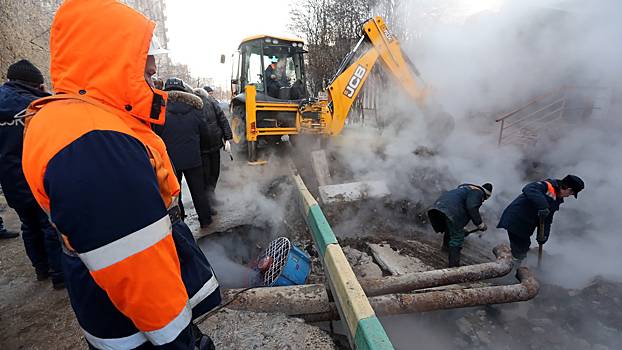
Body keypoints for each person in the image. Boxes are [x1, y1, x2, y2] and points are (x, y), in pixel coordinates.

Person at [21, 1, 220, 349]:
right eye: (143, 60)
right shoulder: (94, 142)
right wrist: (182, 341)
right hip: (140, 333)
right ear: (110, 60)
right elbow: (138, 267)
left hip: (113, 316)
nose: (153, 71)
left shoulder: (76, 122)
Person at [0, 59, 64, 288]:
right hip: (37, 175)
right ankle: (59, 275)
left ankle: (41, 269)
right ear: (37, 84)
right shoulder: (37, 105)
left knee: (28, 224)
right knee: (49, 225)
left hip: (9, 179)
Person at [156, 77, 213, 227]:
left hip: (170, 160)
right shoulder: (195, 108)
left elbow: (155, 134)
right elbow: (205, 133)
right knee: (199, 191)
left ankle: (180, 222)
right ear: (183, 90)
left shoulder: (159, 109)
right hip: (193, 158)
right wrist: (201, 150)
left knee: (175, 193)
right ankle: (206, 220)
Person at [497, 175, 584, 267]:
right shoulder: (546, 186)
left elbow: (547, 220)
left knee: (523, 247)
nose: (568, 196)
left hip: (525, 225)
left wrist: (543, 235)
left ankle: (515, 265)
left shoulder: (556, 199)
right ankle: (510, 268)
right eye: (571, 193)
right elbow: (529, 188)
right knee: (520, 248)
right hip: (516, 219)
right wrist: (543, 205)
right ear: (569, 189)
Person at [427, 183, 493, 267]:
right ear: (486, 195)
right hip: (451, 211)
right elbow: (472, 207)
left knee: (450, 228)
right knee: (457, 238)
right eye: (484, 199)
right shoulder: (477, 192)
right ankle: (453, 267)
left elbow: (460, 206)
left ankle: (446, 249)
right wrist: (479, 223)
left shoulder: (465, 189)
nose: (483, 201)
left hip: (438, 207)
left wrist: (462, 226)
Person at [195, 87, 233, 209]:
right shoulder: (193, 105)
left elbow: (222, 119)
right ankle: (208, 203)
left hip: (212, 145)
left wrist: (228, 137)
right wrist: (227, 137)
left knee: (213, 173)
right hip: (204, 148)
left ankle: (212, 198)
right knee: (209, 175)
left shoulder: (212, 103)